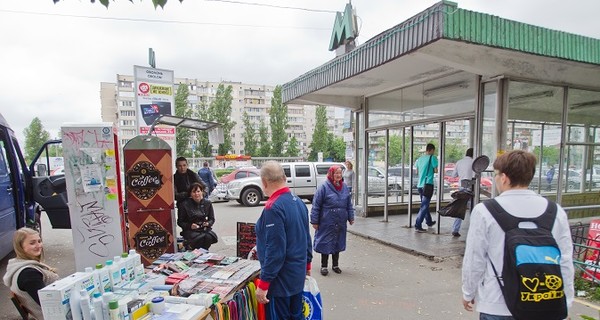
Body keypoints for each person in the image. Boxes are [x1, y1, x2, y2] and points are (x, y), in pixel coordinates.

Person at [461, 150, 574, 319]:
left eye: (496, 175)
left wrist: (468, 292)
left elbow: (475, 258)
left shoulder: (485, 211)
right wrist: (566, 301)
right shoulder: (555, 211)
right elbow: (564, 260)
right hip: (544, 303)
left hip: (497, 303)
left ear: (504, 178)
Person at [255, 161, 313, 319]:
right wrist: (307, 263)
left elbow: (276, 251)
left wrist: (264, 283)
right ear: (284, 177)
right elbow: (306, 237)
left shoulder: (273, 208)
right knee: (297, 315)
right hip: (297, 275)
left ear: (265, 182)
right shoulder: (298, 201)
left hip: (280, 282)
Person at [3, 228, 59, 320]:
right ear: (20, 246)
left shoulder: (19, 265)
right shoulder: (29, 274)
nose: (38, 245)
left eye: (39, 241)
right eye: (32, 243)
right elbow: (48, 303)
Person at [311, 165, 354, 276]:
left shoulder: (344, 187)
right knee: (325, 242)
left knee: (337, 242)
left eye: (340, 173)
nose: (338, 175)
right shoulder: (324, 187)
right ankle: (324, 266)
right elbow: (316, 205)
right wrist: (315, 221)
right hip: (326, 220)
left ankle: (335, 265)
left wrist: (351, 217)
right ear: (331, 174)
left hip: (340, 220)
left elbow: (349, 204)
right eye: (336, 173)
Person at [177, 182, 217, 250]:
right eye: (194, 192)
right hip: (190, 230)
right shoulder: (184, 205)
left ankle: (202, 253)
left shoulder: (207, 203)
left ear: (202, 192)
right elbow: (180, 222)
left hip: (204, 229)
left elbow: (212, 219)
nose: (196, 194)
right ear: (190, 193)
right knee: (200, 239)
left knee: (208, 237)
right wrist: (190, 225)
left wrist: (208, 223)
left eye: (198, 191)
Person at [414, 143, 438, 232]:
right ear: (431, 150)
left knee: (425, 204)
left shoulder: (419, 159)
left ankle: (429, 221)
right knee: (424, 205)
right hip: (428, 184)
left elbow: (417, 171)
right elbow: (436, 170)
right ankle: (418, 224)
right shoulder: (433, 158)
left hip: (420, 185)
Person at [450, 148, 474, 237]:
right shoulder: (474, 163)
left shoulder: (459, 162)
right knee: (473, 209)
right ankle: (474, 229)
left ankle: (455, 229)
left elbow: (453, 175)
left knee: (460, 209)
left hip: (461, 188)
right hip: (471, 188)